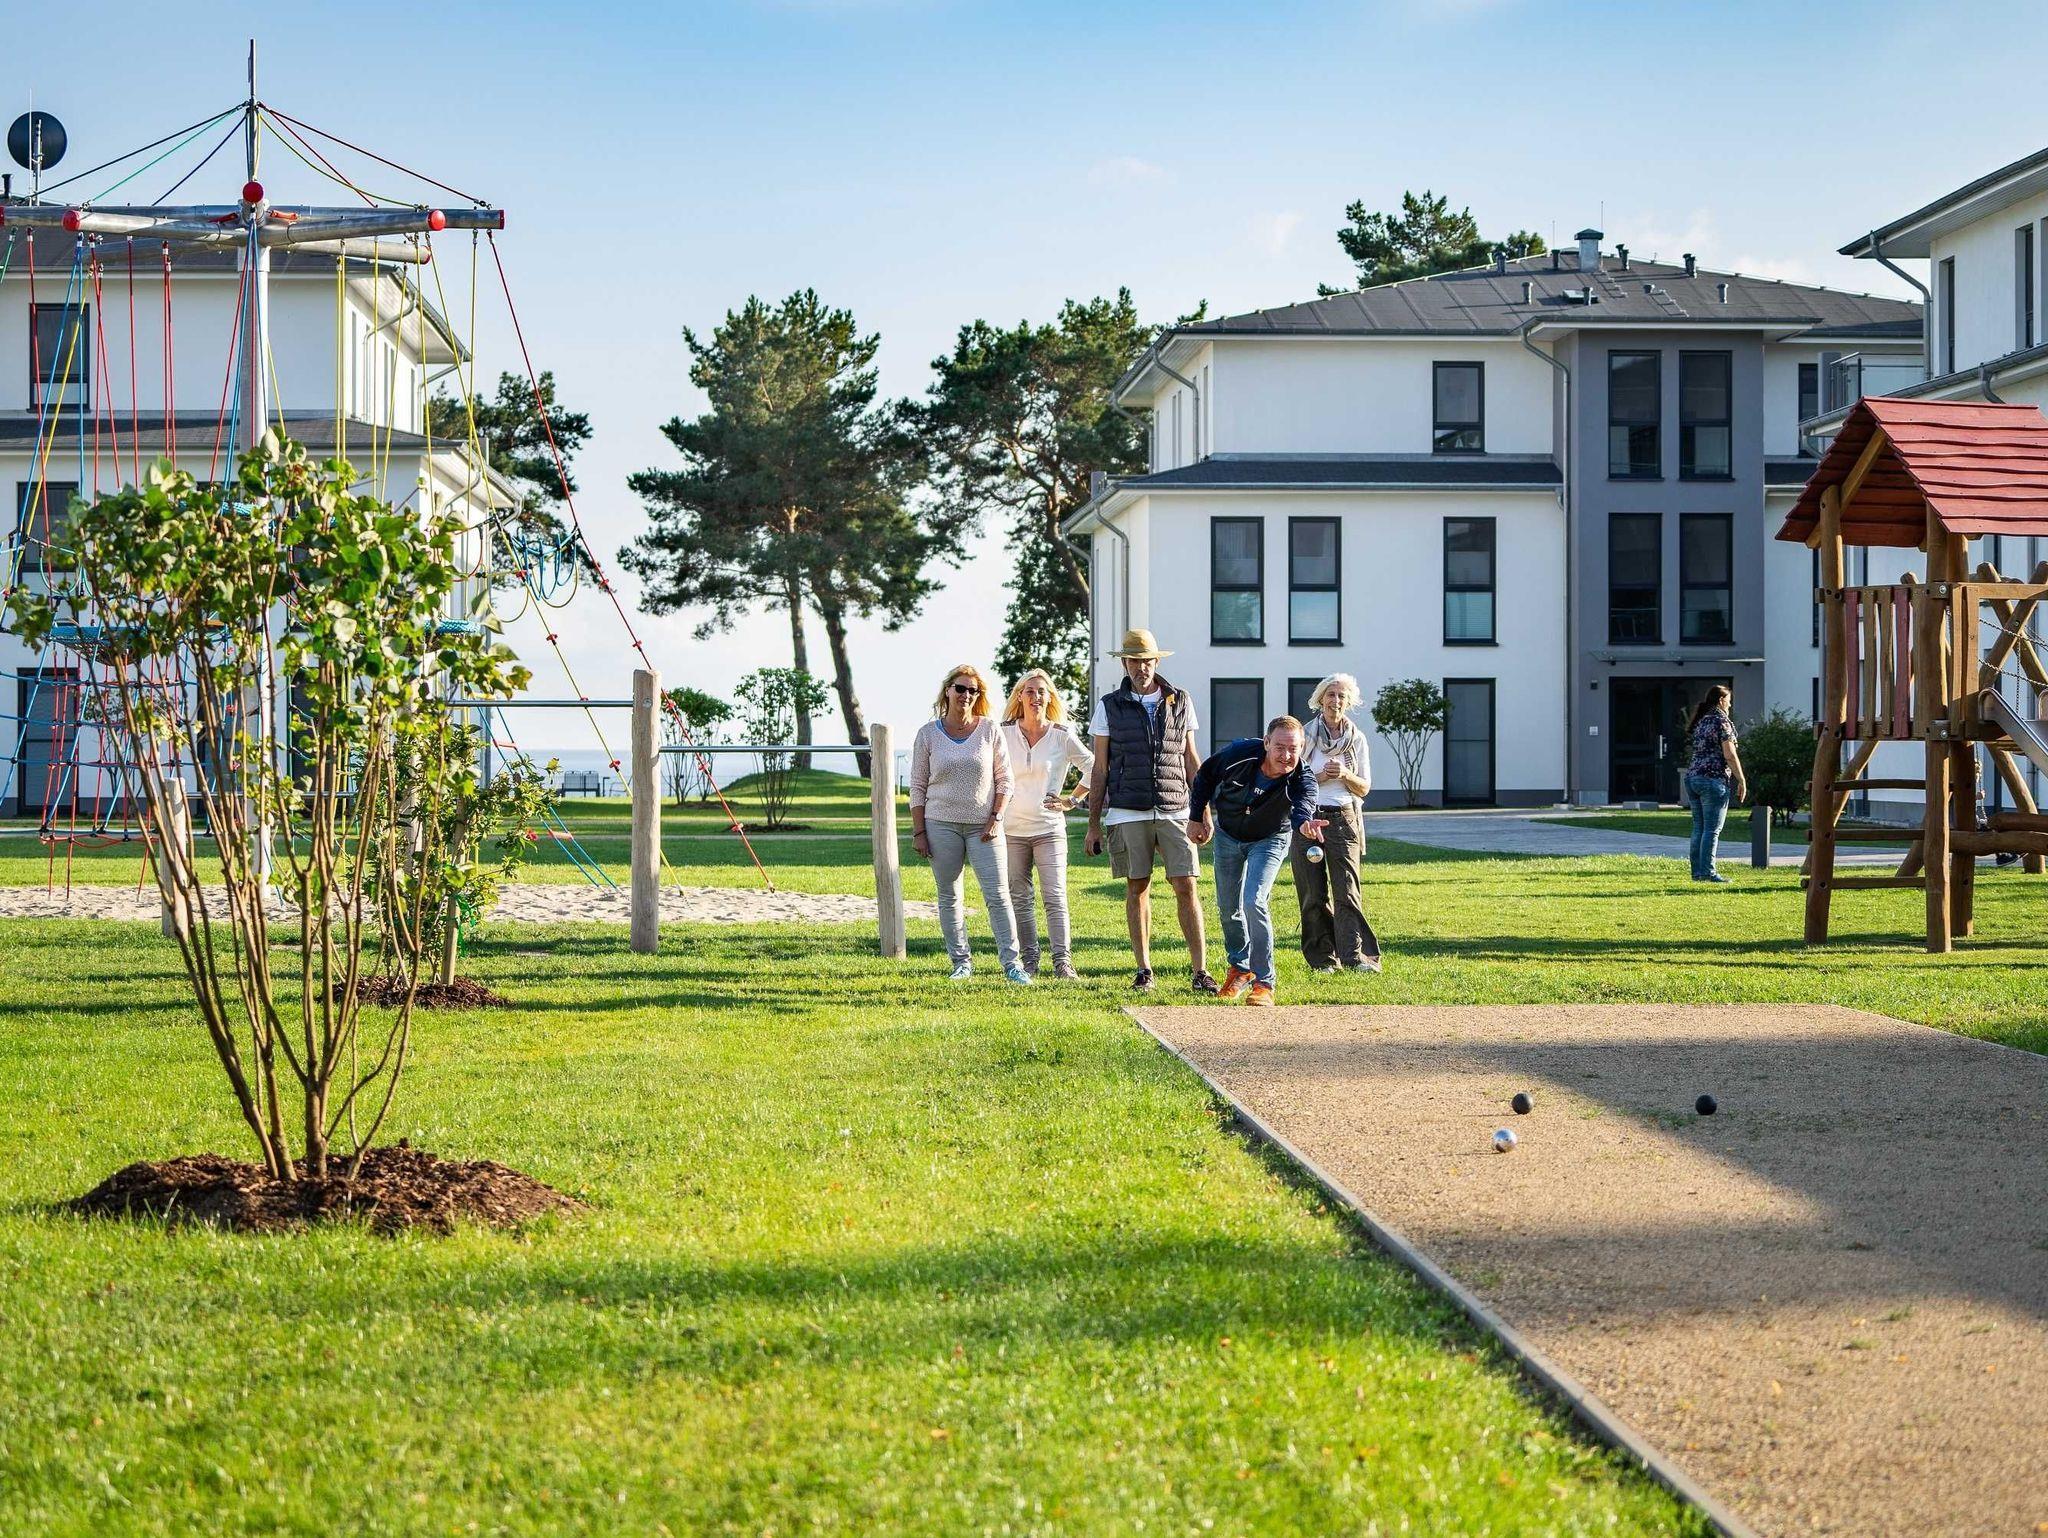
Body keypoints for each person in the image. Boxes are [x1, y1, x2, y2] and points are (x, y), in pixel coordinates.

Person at [1083, 629, 1214, 994]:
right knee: (1137, 886)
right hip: (1128, 809)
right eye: (1133, 661)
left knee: (1186, 884)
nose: (1140, 667)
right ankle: (1144, 970)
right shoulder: (1109, 705)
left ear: (1156, 662)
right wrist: (1093, 824)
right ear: (1124, 664)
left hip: (1176, 808)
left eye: (1146, 661)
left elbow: (1190, 757)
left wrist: (1203, 809)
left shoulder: (1180, 700)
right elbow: (1100, 768)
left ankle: (1200, 971)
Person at [1188, 717, 1327, 1006]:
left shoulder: (1303, 779)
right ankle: (1240, 969)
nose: (1286, 755)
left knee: (1254, 901)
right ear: (1266, 743)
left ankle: (1264, 983)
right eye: (1280, 747)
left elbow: (1303, 807)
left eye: (1293, 749)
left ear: (1302, 748)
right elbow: (1205, 775)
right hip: (1228, 835)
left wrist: (1304, 824)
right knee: (1228, 908)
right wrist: (1195, 817)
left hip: (1270, 838)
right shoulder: (1239, 754)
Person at [909, 663, 1030, 983]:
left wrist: (996, 818)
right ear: (948, 691)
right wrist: (919, 831)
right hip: (940, 825)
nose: (965, 695)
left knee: (998, 896)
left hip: (984, 827)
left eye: (972, 691)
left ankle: (1012, 965)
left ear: (978, 695)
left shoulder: (990, 730)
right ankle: (961, 963)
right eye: (960, 688)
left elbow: (1005, 780)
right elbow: (917, 786)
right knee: (950, 897)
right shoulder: (927, 734)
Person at [999, 669, 1094, 979]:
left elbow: (1094, 767)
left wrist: (1072, 800)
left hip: (1049, 830)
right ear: (1020, 697)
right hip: (1011, 831)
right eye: (1029, 691)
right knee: (1020, 898)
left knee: (1054, 896)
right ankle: (1029, 962)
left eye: (1041, 691)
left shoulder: (1061, 735)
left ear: (1050, 697)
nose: (1035, 697)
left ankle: (1062, 962)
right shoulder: (1003, 733)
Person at [1293, 673, 1381, 974]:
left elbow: (1364, 788)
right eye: (1331, 695)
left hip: (1343, 818)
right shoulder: (1304, 735)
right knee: (1312, 893)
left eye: (1342, 696)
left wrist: (1344, 774)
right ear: (1320, 699)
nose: (1336, 701)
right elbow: (1292, 782)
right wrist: (1320, 777)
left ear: (1349, 702)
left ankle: (1355, 957)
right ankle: (1322, 960)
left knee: (1347, 891)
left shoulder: (1356, 739)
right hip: (1309, 819)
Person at [1682, 684, 1748, 883]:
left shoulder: (1701, 720)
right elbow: (1730, 754)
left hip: (1693, 777)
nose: (1730, 704)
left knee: (1699, 828)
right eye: (1729, 700)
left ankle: (1697, 873)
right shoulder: (1722, 722)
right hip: (1713, 780)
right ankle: (1708, 873)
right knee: (1712, 829)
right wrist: (1741, 779)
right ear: (1721, 700)